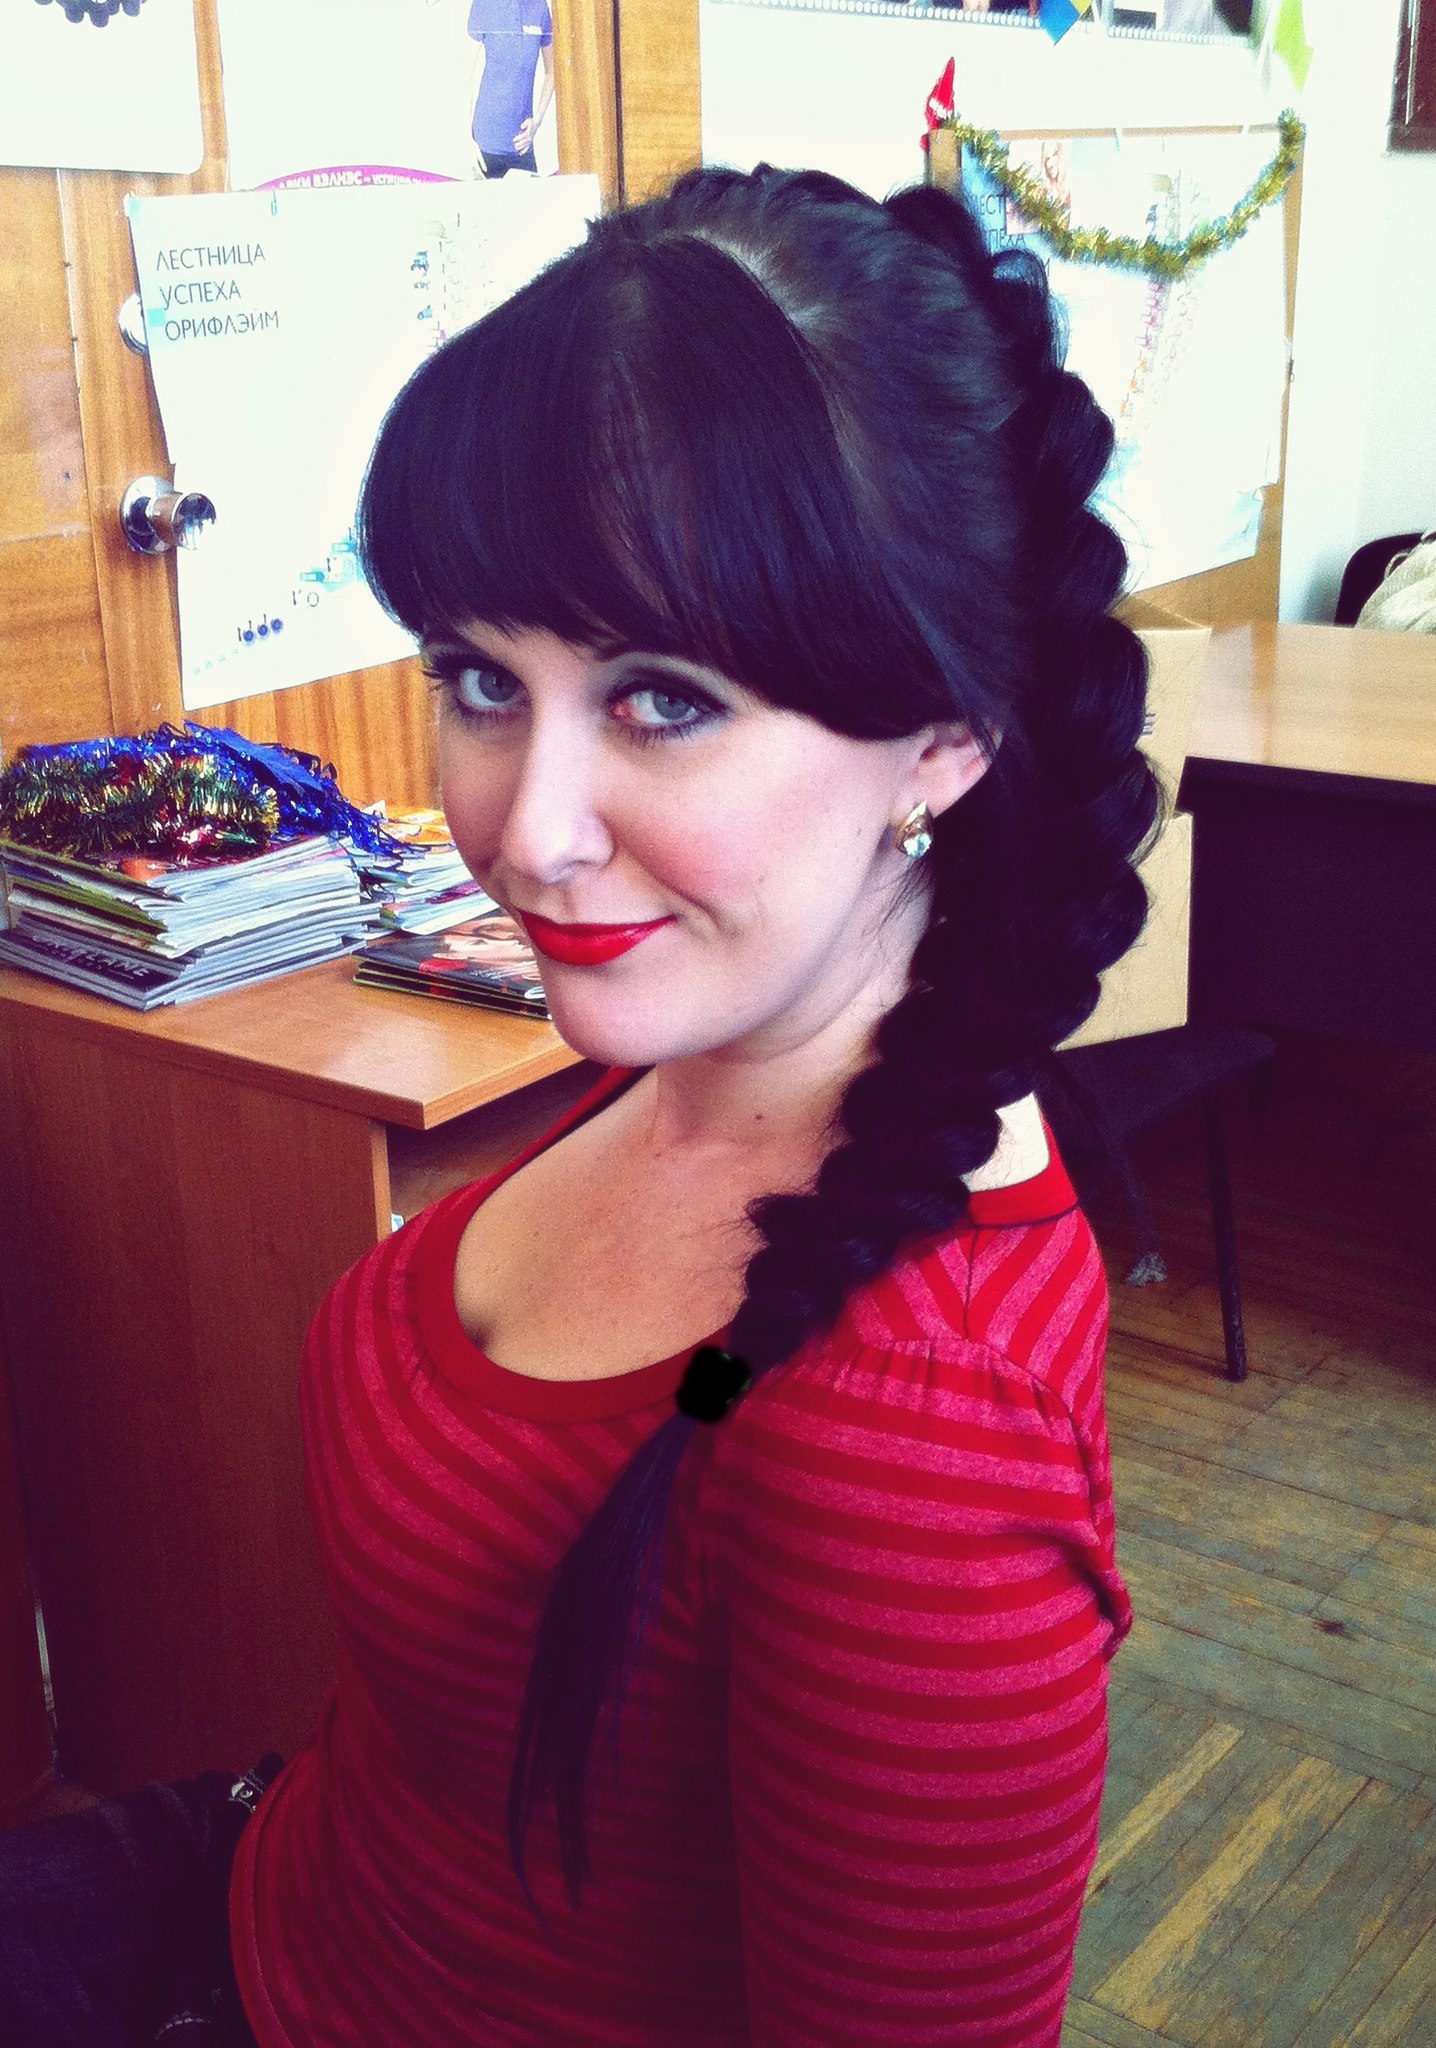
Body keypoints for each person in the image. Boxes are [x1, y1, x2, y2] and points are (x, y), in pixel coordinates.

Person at [0, 161, 1159, 2046]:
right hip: (283, 1878)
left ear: (945, 737)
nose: (525, 834)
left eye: (663, 700)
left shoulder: (913, 1445)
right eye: (481, 677)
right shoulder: (698, 1042)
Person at [466, 0, 554, 179]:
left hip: (522, 147)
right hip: (486, 145)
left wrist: (536, 122)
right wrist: (466, 141)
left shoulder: (539, 7)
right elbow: (464, 73)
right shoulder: (484, 4)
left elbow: (552, 72)